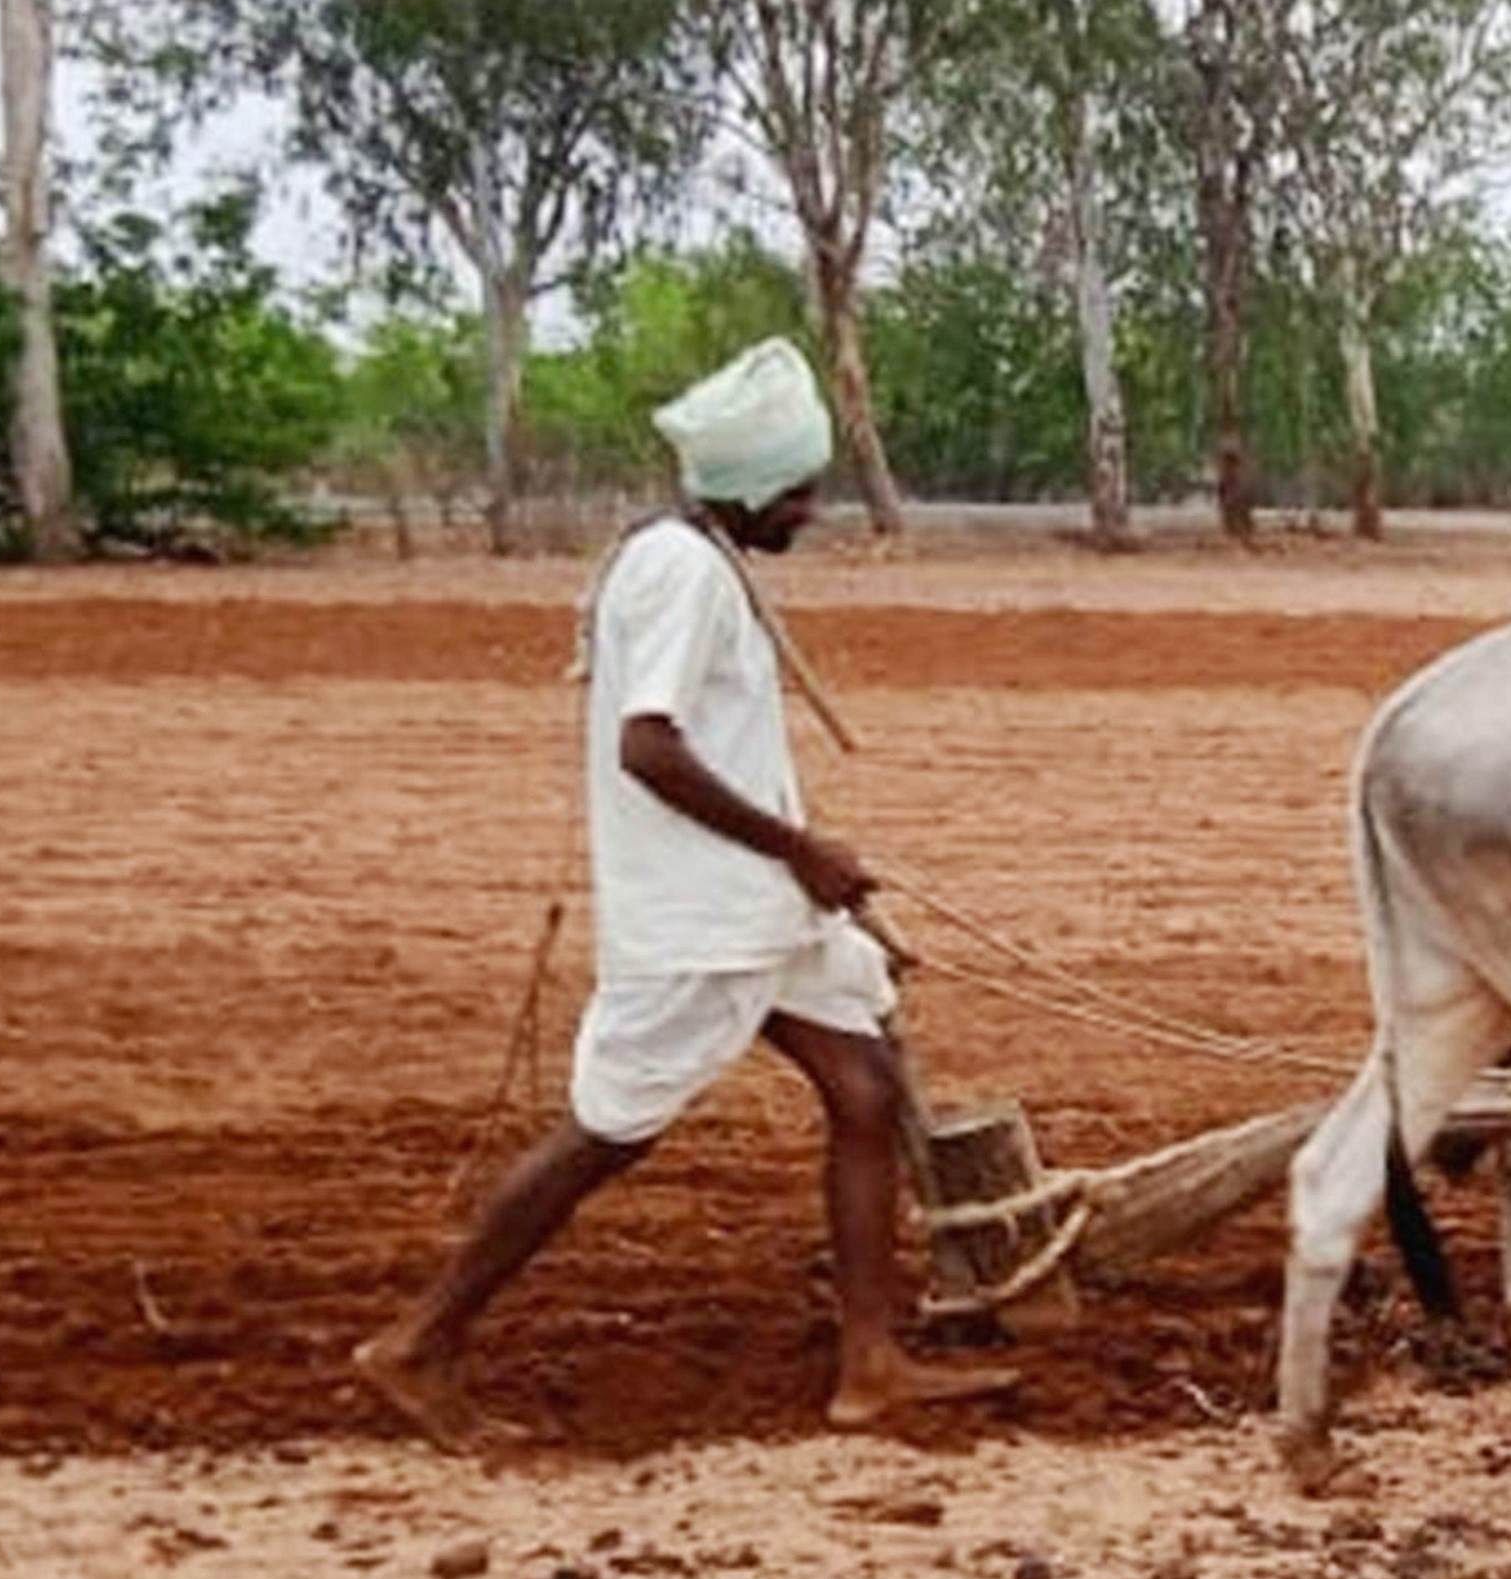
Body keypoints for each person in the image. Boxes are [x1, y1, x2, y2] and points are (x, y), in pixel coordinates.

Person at [354, 339, 1017, 1435]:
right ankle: (417, 1342)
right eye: (799, 493)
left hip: (762, 905)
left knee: (863, 1090)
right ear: (754, 486)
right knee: (607, 1131)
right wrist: (800, 848)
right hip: (706, 916)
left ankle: (869, 1362)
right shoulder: (681, 570)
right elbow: (647, 747)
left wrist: (797, 864)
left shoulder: (696, 553)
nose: (809, 512)